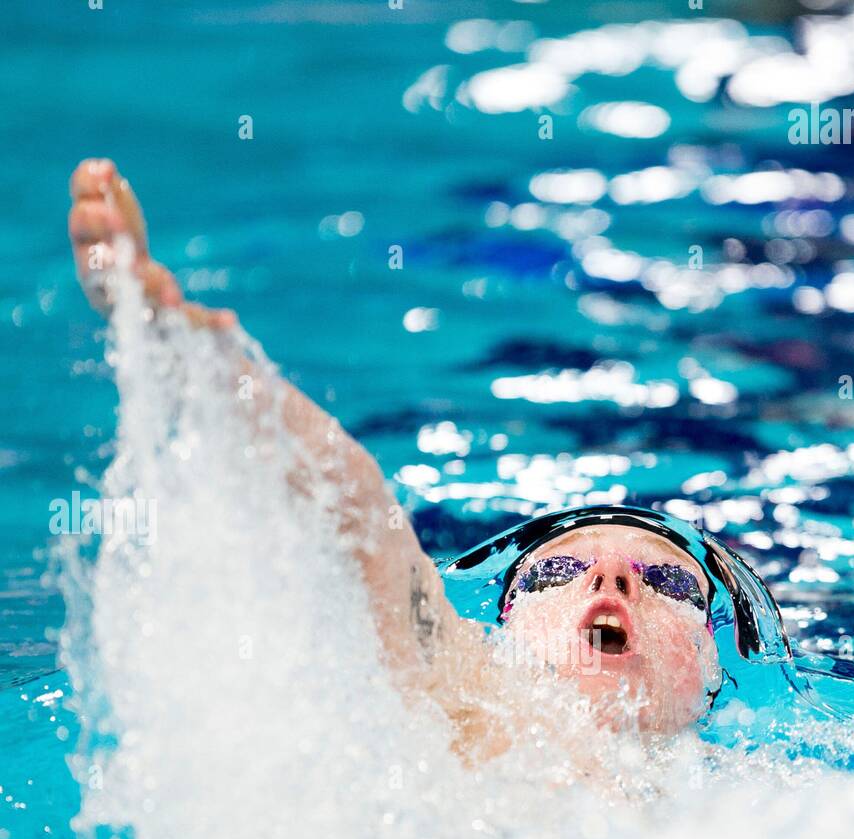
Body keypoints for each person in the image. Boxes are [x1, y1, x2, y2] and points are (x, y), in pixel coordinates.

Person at [68, 159, 791, 748]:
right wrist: (187, 347)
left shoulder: (779, 817)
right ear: (500, 635)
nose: (608, 577)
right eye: (561, 572)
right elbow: (359, 517)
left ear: (708, 662)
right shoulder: (467, 723)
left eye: (667, 582)